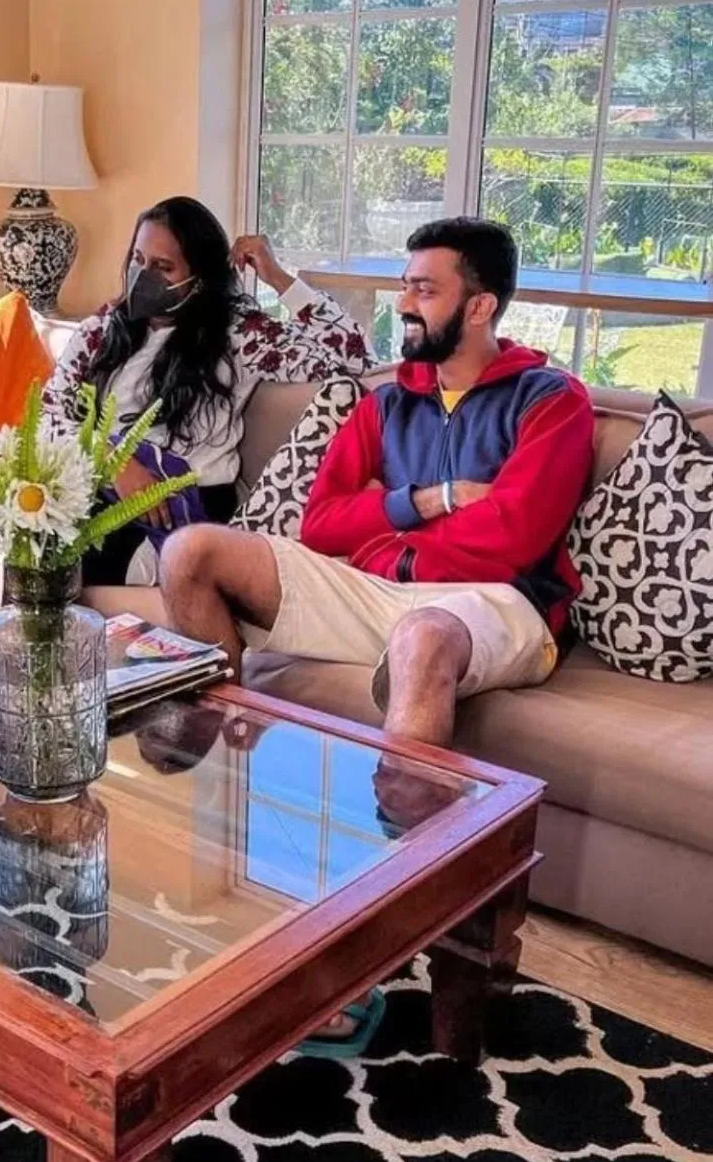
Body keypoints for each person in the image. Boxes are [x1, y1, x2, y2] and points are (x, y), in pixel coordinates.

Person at [158, 216, 596, 1056]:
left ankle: (364, 944)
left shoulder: (551, 400)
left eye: (423, 289)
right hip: (375, 588)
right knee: (190, 552)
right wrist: (423, 503)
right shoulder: (386, 397)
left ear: (480, 307)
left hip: (493, 604)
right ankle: (236, 823)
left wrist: (394, 542)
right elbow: (319, 522)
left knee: (424, 636)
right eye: (404, 285)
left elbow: (510, 534)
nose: (403, 303)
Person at [45, 196, 373, 581]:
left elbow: (354, 358)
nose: (143, 276)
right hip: (102, 492)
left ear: (199, 277)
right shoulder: (105, 328)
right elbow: (51, 413)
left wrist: (278, 279)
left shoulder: (240, 334)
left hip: (181, 510)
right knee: (31, 546)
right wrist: (113, 462)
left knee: (72, 569)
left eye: (163, 267)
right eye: (138, 260)